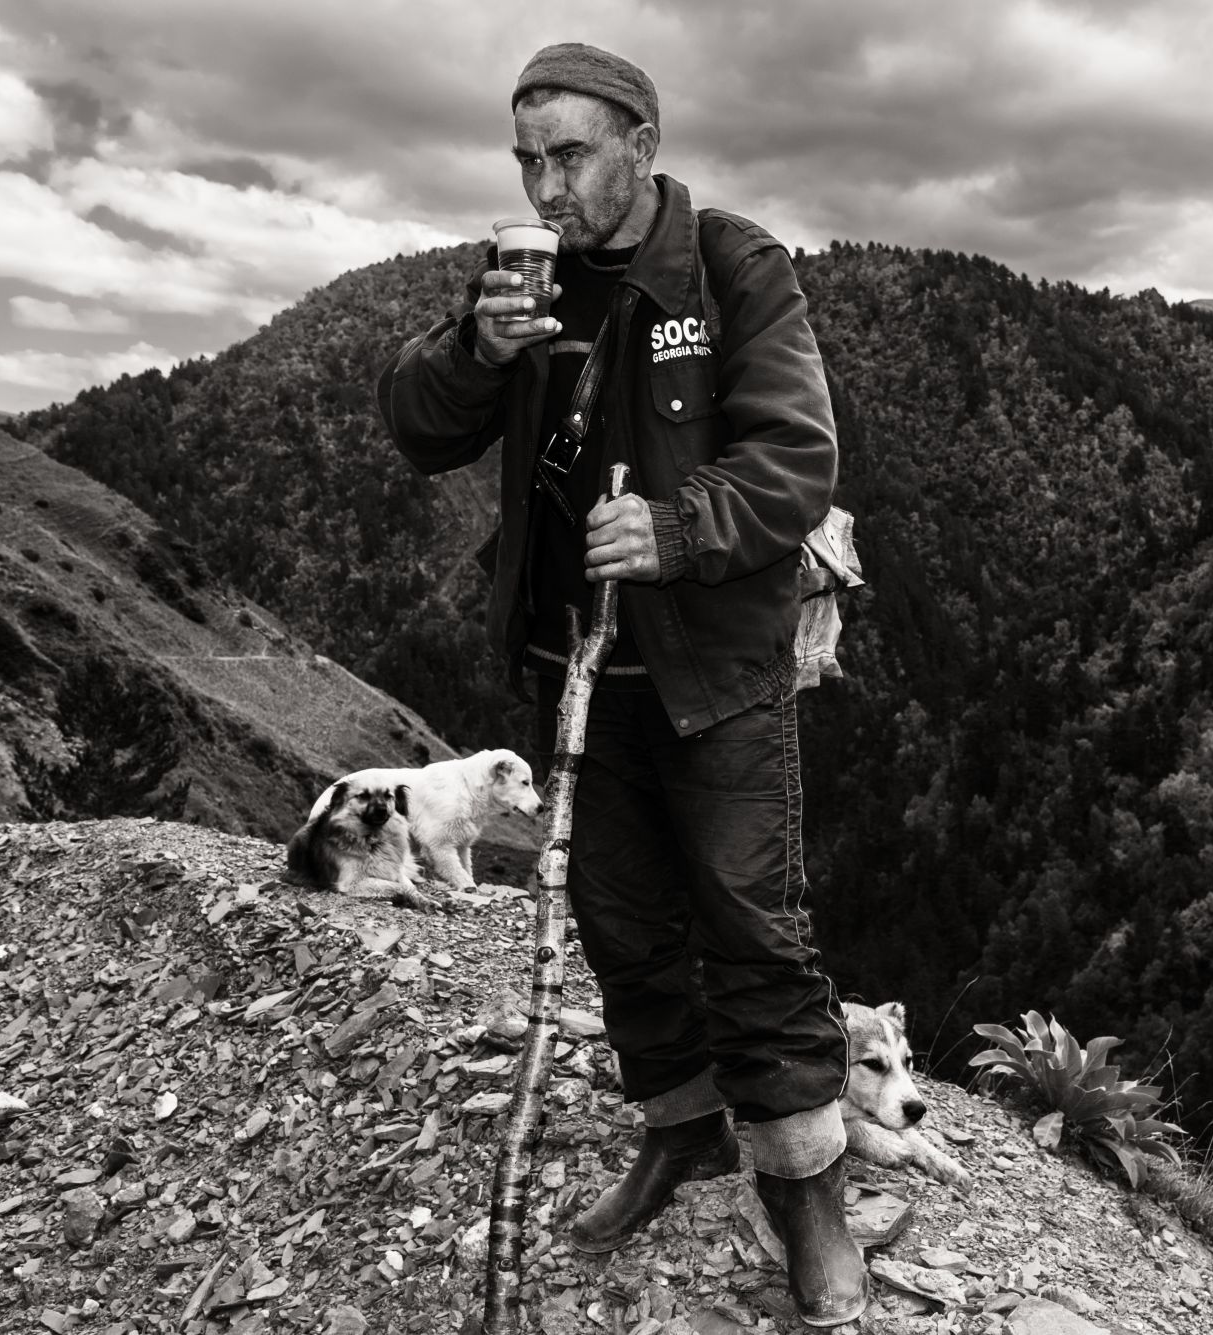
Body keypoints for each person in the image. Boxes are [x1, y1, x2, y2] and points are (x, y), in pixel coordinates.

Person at [375, 42, 865, 1329]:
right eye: (525, 161)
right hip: (570, 675)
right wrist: (477, 352)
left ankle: (805, 1188)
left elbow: (795, 455)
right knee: (621, 923)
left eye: (570, 157)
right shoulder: (517, 285)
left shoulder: (730, 266)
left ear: (642, 146)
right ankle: (682, 1130)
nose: (545, 189)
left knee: (752, 930)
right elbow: (417, 424)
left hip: (715, 671)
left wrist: (678, 524)